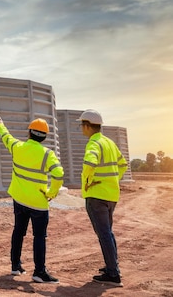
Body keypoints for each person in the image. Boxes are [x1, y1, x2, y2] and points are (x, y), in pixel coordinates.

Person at [0, 116, 64, 284]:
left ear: (29, 133)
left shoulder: (18, 147)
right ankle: (39, 272)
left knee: (18, 231)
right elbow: (59, 174)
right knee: (39, 236)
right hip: (38, 202)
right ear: (45, 137)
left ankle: (15, 266)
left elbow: (6, 137)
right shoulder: (47, 154)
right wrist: (51, 193)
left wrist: (1, 125)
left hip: (19, 199)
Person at [77, 109, 128, 287]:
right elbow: (123, 164)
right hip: (111, 195)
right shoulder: (109, 143)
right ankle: (111, 267)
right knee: (107, 233)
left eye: (81, 125)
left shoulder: (93, 144)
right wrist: (112, 180)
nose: (81, 128)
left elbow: (89, 163)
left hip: (97, 195)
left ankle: (113, 274)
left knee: (104, 234)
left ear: (87, 126)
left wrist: (89, 181)